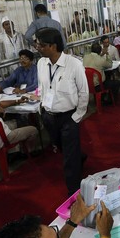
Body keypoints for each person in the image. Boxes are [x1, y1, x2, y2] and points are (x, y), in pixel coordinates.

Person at [35, 28, 88, 194]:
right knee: (61, 146)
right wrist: (42, 107)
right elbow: (42, 87)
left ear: (53, 46)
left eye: (41, 45)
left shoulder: (74, 65)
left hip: (68, 117)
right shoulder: (41, 63)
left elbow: (84, 92)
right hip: (49, 116)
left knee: (69, 159)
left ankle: (74, 193)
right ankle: (79, 157)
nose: (37, 47)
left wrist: (76, 117)